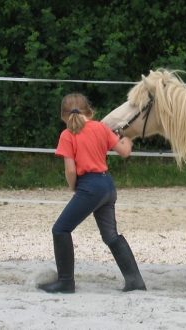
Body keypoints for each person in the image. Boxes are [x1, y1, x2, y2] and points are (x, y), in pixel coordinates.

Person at [38, 93, 146, 293]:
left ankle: (66, 282)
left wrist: (73, 187)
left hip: (89, 187)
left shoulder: (67, 135)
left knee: (60, 229)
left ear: (63, 115)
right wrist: (127, 140)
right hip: (107, 185)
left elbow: (70, 170)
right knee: (111, 235)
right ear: (89, 110)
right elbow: (124, 152)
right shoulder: (101, 128)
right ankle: (135, 281)